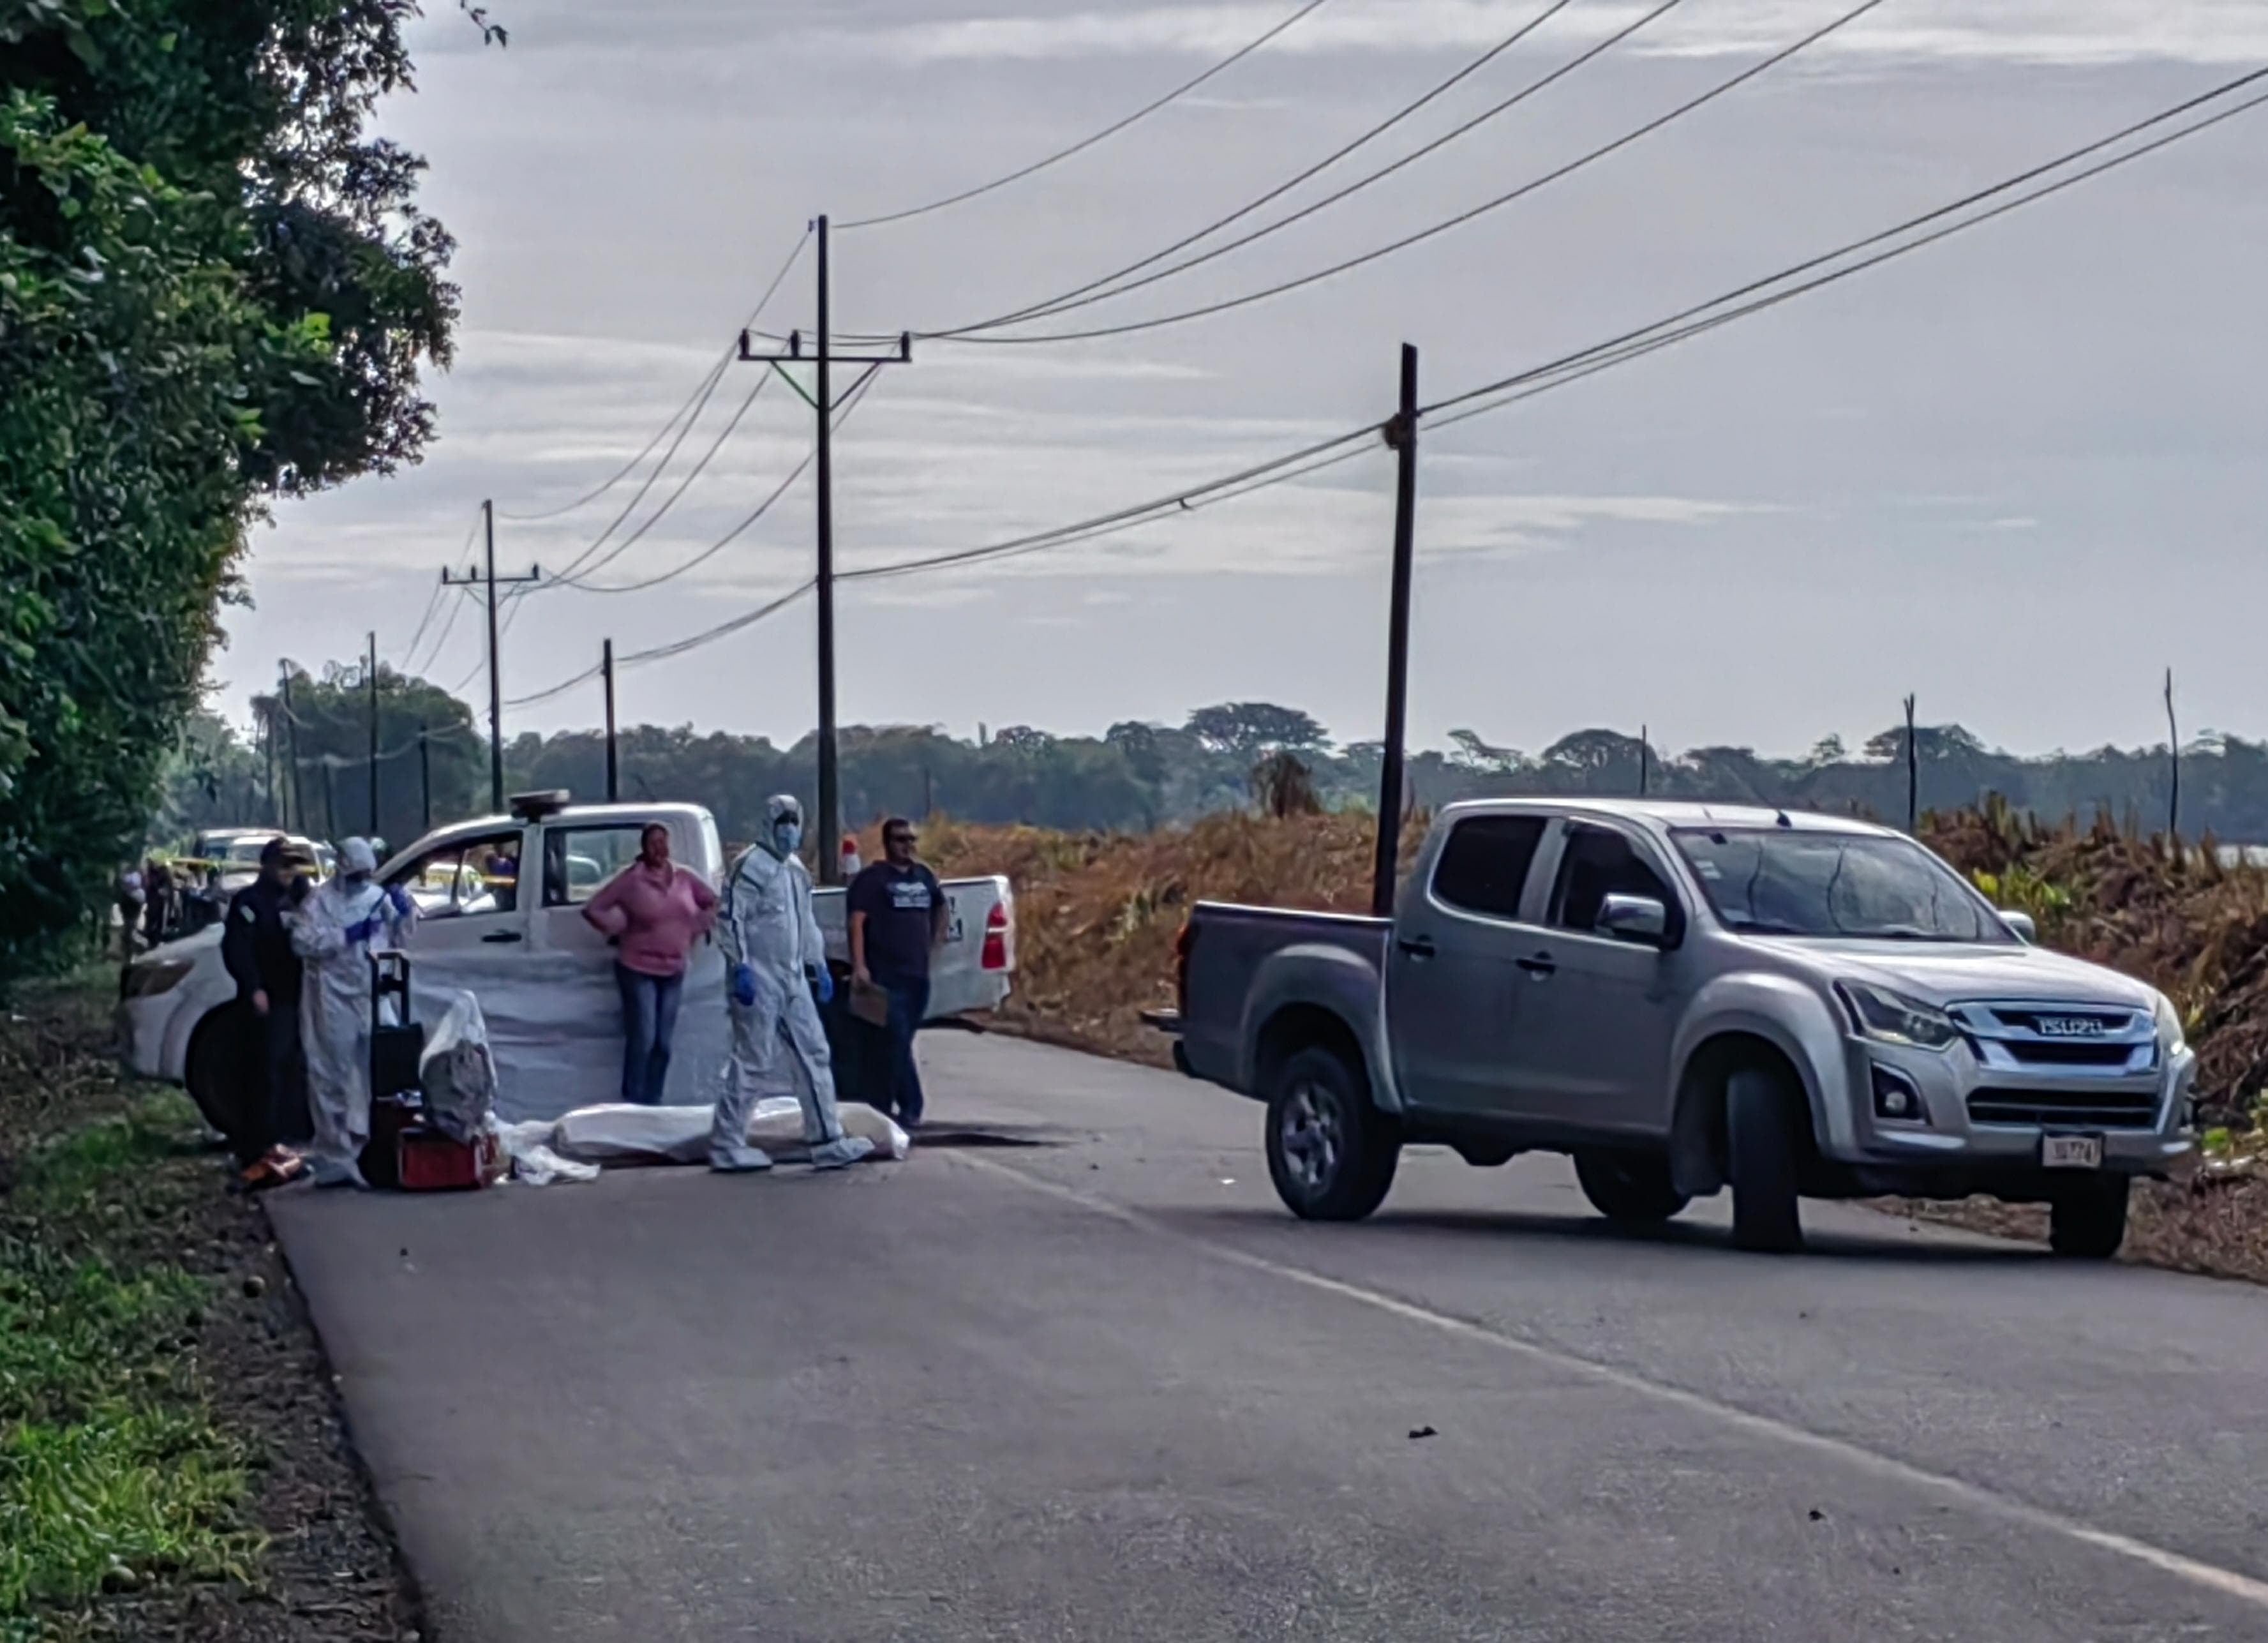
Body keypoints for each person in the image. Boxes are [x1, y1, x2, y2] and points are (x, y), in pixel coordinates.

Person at [713, 795, 872, 1174]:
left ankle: (826, 1138)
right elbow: (731, 918)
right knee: (754, 1060)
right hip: (760, 976)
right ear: (769, 824)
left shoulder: (795, 870)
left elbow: (806, 920)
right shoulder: (751, 866)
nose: (789, 829)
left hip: (793, 977)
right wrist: (740, 965)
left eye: (793, 821)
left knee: (814, 1053)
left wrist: (818, 964)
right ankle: (726, 1143)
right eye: (782, 822)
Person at [287, 837, 415, 1188]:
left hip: (371, 993)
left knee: (380, 1071)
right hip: (330, 995)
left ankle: (375, 1145)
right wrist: (345, 936)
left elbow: (401, 940)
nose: (361, 881)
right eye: (356, 875)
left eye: (365, 875)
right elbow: (301, 942)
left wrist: (405, 914)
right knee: (331, 1072)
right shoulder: (319, 902)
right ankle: (335, 1154)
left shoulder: (376, 899)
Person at [581, 822, 718, 1106]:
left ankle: (653, 1101)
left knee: (663, 1044)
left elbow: (713, 902)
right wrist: (616, 927)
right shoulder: (631, 880)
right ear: (643, 848)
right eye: (654, 843)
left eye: (663, 842)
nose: (660, 849)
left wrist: (699, 925)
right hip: (638, 969)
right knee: (644, 1038)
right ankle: (633, 1101)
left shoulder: (684, 878)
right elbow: (593, 908)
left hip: (674, 969)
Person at [220, 838, 310, 1187]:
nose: (289, 872)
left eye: (294, 866)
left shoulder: (301, 899)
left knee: (289, 1072)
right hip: (266, 1000)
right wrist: (253, 987)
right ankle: (256, 1147)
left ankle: (281, 1143)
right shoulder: (250, 902)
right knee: (263, 1073)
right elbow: (238, 949)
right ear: (267, 865)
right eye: (283, 865)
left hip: (295, 997)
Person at [848, 817, 946, 1129]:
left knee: (899, 1043)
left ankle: (881, 1102)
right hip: (886, 976)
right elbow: (857, 923)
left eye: (911, 839)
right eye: (901, 839)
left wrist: (935, 942)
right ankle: (911, 1105)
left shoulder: (924, 876)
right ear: (888, 843)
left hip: (918, 975)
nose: (908, 845)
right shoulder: (872, 880)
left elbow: (940, 907)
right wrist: (860, 965)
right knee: (897, 1038)